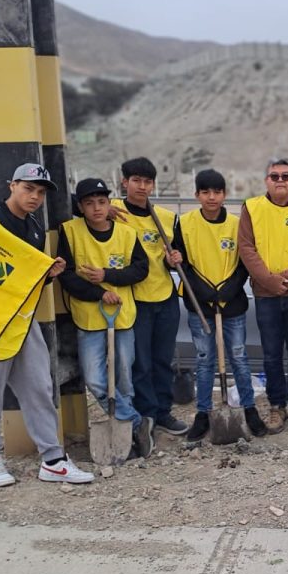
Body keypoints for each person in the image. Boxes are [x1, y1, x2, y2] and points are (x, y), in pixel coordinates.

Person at [0, 162, 94, 487]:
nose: (34, 196)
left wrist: (48, 276)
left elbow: (24, 284)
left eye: (40, 192)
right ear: (12, 185)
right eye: (29, 188)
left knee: (39, 387)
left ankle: (53, 459)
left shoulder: (36, 229)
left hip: (21, 322)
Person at [57, 178, 153, 459]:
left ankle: (129, 435)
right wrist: (100, 293)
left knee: (124, 377)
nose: (97, 208)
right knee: (96, 380)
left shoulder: (126, 234)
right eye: (89, 203)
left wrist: (107, 276)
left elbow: (140, 270)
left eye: (101, 202)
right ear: (80, 207)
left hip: (122, 318)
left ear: (110, 204)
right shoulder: (70, 232)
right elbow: (67, 275)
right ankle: (136, 421)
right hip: (89, 319)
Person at [172, 169, 266, 439]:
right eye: (205, 192)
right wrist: (205, 293)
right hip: (200, 305)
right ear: (197, 195)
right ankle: (203, 413)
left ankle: (249, 410)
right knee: (204, 360)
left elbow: (244, 263)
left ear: (225, 194)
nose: (211, 197)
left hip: (231, 304)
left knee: (239, 356)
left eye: (216, 192)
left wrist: (226, 291)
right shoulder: (186, 223)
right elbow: (183, 264)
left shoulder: (237, 225)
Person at [238, 157, 288, 434]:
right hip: (265, 295)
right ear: (266, 181)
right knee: (271, 355)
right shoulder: (251, 208)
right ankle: (276, 406)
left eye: (286, 176)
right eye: (275, 176)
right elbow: (246, 247)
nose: (280, 180)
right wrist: (270, 281)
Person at [110, 157, 188, 438]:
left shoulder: (166, 218)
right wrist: (103, 207)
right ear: (124, 182)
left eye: (147, 181)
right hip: (134, 299)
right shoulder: (113, 210)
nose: (142, 187)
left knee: (162, 360)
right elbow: (75, 201)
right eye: (136, 181)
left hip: (164, 297)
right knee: (139, 363)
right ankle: (146, 415)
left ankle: (163, 412)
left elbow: (175, 258)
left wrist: (174, 259)